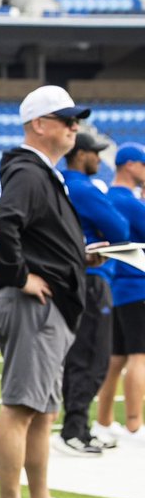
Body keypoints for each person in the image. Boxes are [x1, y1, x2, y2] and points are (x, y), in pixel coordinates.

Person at [0, 85, 94, 498]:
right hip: (34, 304)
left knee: (42, 410)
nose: (75, 128)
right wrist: (18, 276)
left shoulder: (40, 172)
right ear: (39, 124)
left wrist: (77, 257)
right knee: (21, 406)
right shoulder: (28, 172)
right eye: (66, 119)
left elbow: (32, 233)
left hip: (49, 306)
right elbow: (2, 222)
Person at [56, 131, 129, 456]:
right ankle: (74, 431)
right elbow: (120, 229)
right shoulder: (83, 187)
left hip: (76, 279)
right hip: (93, 278)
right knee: (93, 356)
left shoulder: (61, 183)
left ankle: (78, 428)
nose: (99, 159)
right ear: (80, 154)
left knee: (81, 354)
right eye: (94, 153)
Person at [94, 142, 145, 444]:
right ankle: (135, 425)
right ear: (130, 165)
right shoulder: (130, 202)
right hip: (138, 286)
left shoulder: (107, 198)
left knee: (116, 358)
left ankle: (103, 420)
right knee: (140, 356)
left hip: (116, 287)